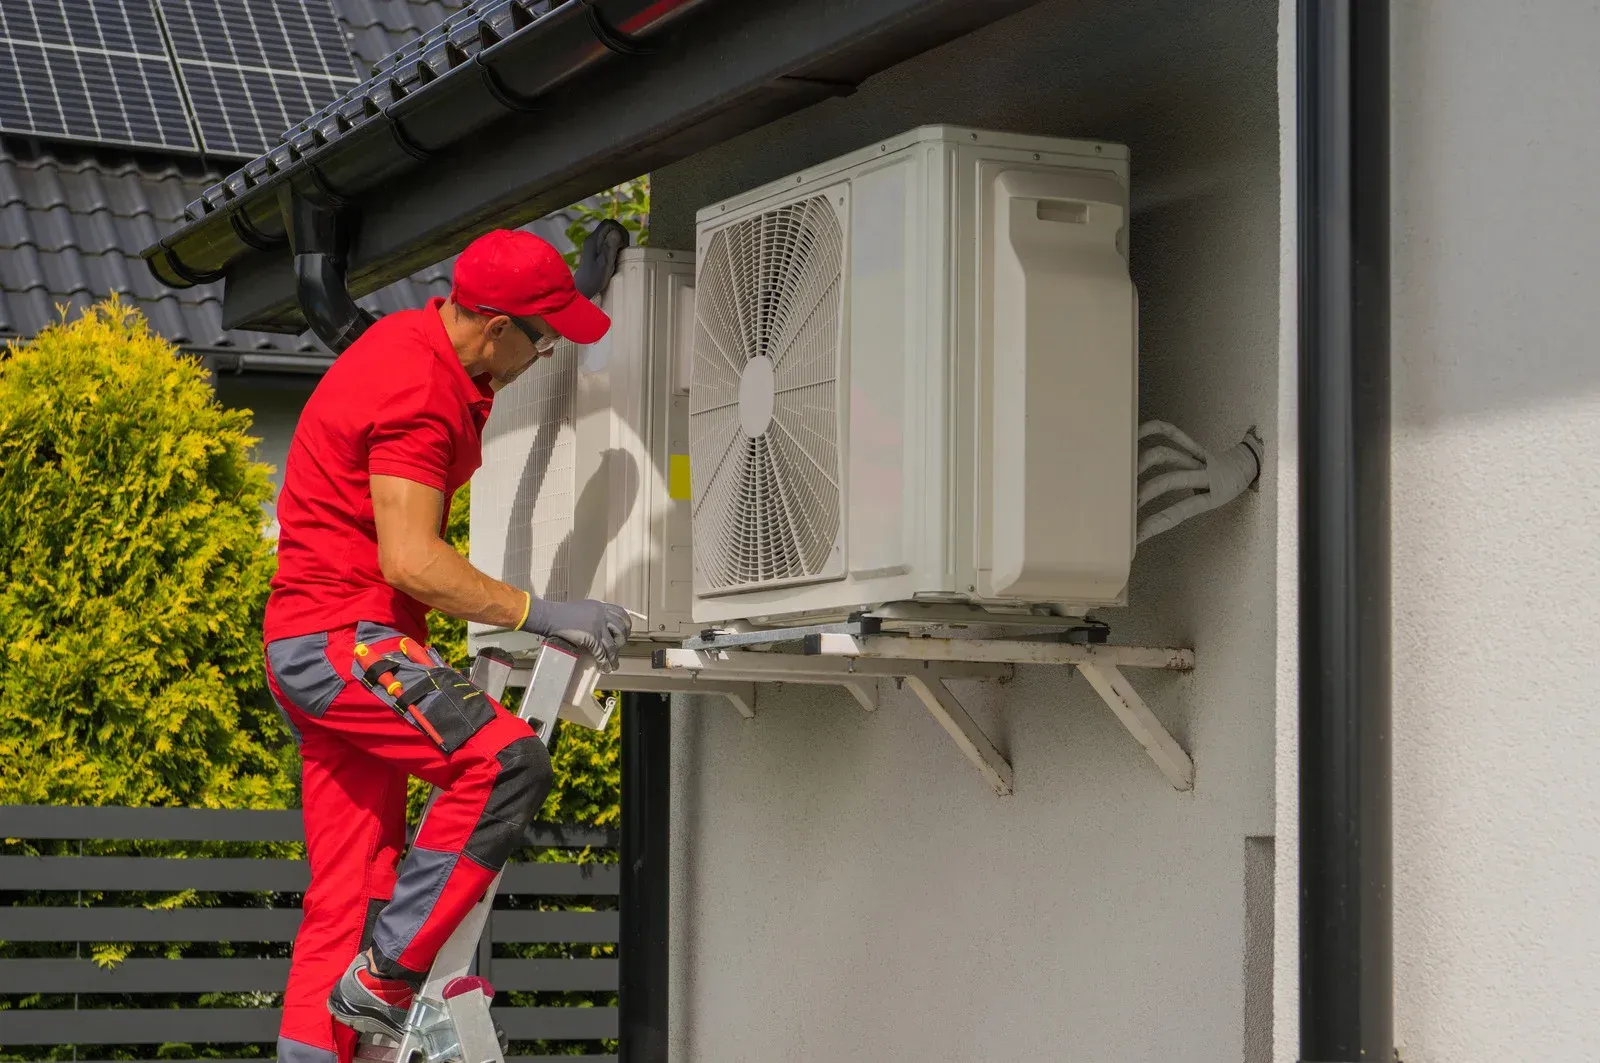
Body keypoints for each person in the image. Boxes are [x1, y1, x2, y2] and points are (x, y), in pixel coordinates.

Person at [262, 229, 632, 1063]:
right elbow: (412, 558)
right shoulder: (420, 391)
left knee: (350, 894)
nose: (546, 353)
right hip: (343, 641)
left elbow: (510, 322)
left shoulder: (419, 342)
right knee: (505, 764)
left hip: (307, 640)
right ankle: (385, 982)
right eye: (543, 338)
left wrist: (574, 296)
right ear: (496, 327)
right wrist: (543, 612)